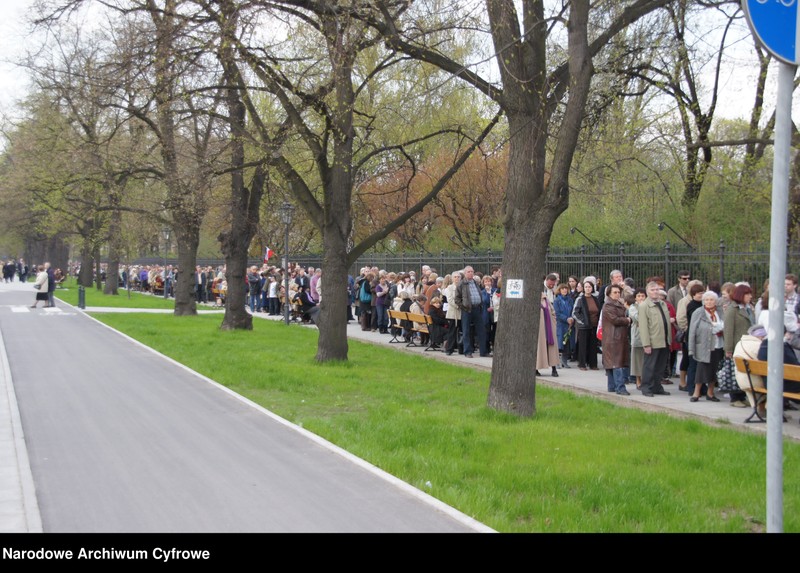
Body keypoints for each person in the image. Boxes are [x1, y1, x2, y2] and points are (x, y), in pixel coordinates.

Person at [688, 291, 725, 403]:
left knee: (714, 368)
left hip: (718, 344)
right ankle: (696, 393)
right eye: (707, 300)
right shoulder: (698, 312)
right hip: (703, 345)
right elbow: (692, 331)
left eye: (711, 299)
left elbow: (725, 324)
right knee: (701, 369)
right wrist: (691, 348)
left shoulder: (720, 311)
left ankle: (710, 392)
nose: (709, 302)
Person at [638, 281, 672, 397]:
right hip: (653, 341)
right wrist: (646, 344)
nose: (655, 292)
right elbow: (643, 326)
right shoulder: (644, 306)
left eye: (657, 289)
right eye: (652, 290)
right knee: (649, 366)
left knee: (660, 366)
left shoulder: (662, 303)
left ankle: (657, 386)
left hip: (664, 340)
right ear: (647, 292)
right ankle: (646, 387)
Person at [724, 284, 756, 408]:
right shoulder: (733, 309)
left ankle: (742, 396)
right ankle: (735, 397)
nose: (750, 296)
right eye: (747, 294)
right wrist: (728, 349)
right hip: (737, 345)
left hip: (747, 345)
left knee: (744, 373)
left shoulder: (748, 308)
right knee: (734, 372)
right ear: (741, 295)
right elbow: (728, 330)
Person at [602, 284, 632, 395]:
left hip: (618, 337)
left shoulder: (618, 303)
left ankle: (612, 386)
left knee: (613, 363)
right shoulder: (609, 305)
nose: (617, 294)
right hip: (613, 338)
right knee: (616, 363)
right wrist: (628, 320)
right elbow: (615, 320)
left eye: (619, 292)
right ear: (609, 293)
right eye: (615, 292)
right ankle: (620, 387)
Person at [454, 266, 488, 358]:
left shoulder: (476, 283)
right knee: (466, 331)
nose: (471, 273)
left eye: (472, 271)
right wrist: (463, 306)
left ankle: (483, 351)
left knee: (481, 330)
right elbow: (457, 299)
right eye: (468, 272)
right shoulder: (461, 284)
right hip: (467, 310)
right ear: (465, 273)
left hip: (477, 309)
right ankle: (467, 351)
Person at [572, 279, 602, 370]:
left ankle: (593, 364)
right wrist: (582, 321)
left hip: (594, 325)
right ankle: (582, 364)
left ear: (592, 288)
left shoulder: (595, 299)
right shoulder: (580, 299)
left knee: (593, 346)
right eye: (586, 287)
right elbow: (575, 313)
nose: (588, 289)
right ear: (583, 288)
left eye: (589, 287)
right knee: (583, 345)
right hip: (584, 326)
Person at [554, 283, 575, 368]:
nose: (564, 290)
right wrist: (566, 318)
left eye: (566, 289)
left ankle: (564, 361)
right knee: (559, 343)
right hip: (560, 324)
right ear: (559, 290)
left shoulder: (570, 300)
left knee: (567, 343)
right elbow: (557, 313)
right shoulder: (557, 300)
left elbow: (573, 310)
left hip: (569, 324)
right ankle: (557, 362)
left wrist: (571, 318)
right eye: (562, 289)